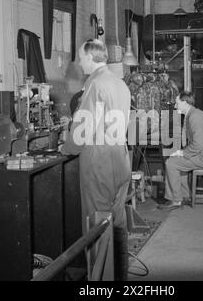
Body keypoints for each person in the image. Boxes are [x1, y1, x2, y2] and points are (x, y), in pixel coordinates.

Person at [59, 39, 131, 281]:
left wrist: (66, 148)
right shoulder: (120, 83)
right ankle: (119, 276)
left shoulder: (95, 83)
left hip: (100, 160)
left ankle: (100, 283)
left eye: (81, 58)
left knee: (96, 225)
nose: (80, 63)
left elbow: (83, 125)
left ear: (91, 58)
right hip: (120, 156)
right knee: (117, 223)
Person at [158, 92, 203, 210]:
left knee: (171, 163)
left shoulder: (195, 117)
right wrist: (181, 152)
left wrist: (182, 153)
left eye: (177, 104)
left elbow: (198, 144)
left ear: (185, 103)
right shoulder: (192, 114)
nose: (175, 106)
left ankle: (176, 200)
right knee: (177, 161)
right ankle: (184, 196)